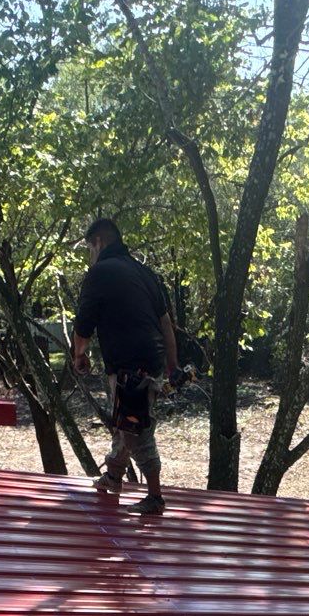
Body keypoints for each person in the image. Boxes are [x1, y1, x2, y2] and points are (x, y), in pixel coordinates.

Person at [71, 217, 179, 516]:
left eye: (89, 248)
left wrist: (79, 355)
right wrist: (172, 366)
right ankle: (114, 477)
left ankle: (155, 497)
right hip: (153, 360)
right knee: (126, 423)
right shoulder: (144, 272)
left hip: (129, 365)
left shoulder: (100, 273)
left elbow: (83, 326)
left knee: (136, 428)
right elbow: (166, 324)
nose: (90, 256)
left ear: (98, 242)